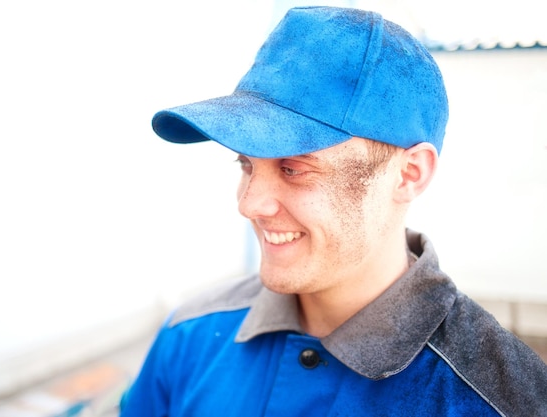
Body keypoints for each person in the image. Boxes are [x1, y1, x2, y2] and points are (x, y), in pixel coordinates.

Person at [119, 6, 547, 417]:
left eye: (293, 169)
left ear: (409, 174)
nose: (249, 203)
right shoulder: (189, 339)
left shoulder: (497, 400)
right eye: (245, 164)